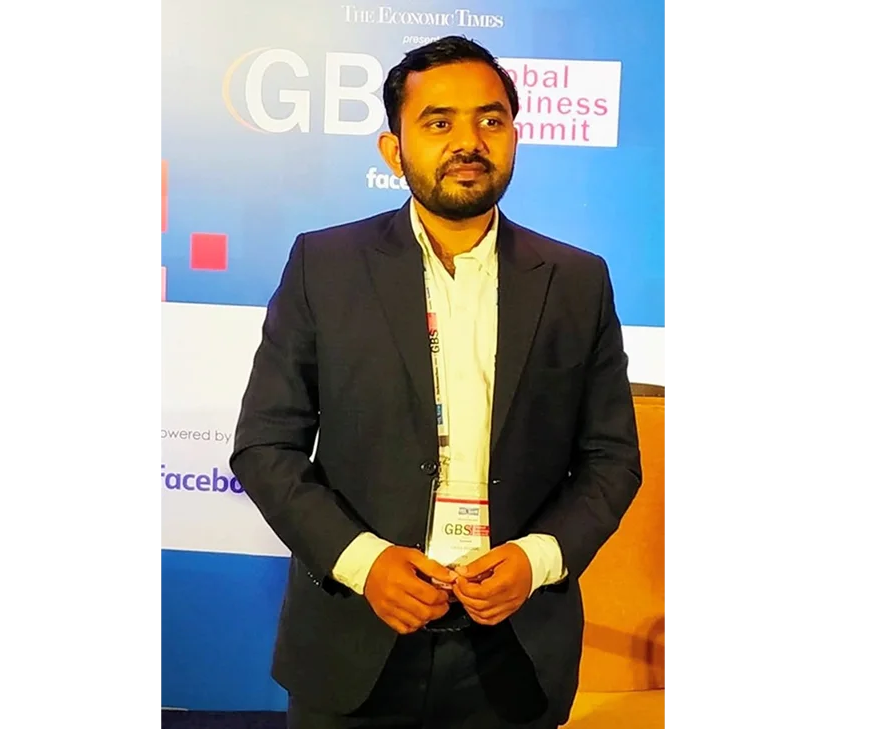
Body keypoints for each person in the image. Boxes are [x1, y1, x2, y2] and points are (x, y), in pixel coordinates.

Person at [229, 35, 643, 729]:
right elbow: (265, 447)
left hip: (515, 653)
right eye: (439, 122)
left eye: (490, 120)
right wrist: (364, 562)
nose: (468, 142)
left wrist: (538, 558)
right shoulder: (324, 266)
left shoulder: (577, 281)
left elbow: (612, 459)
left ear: (515, 136)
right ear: (394, 150)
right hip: (354, 637)